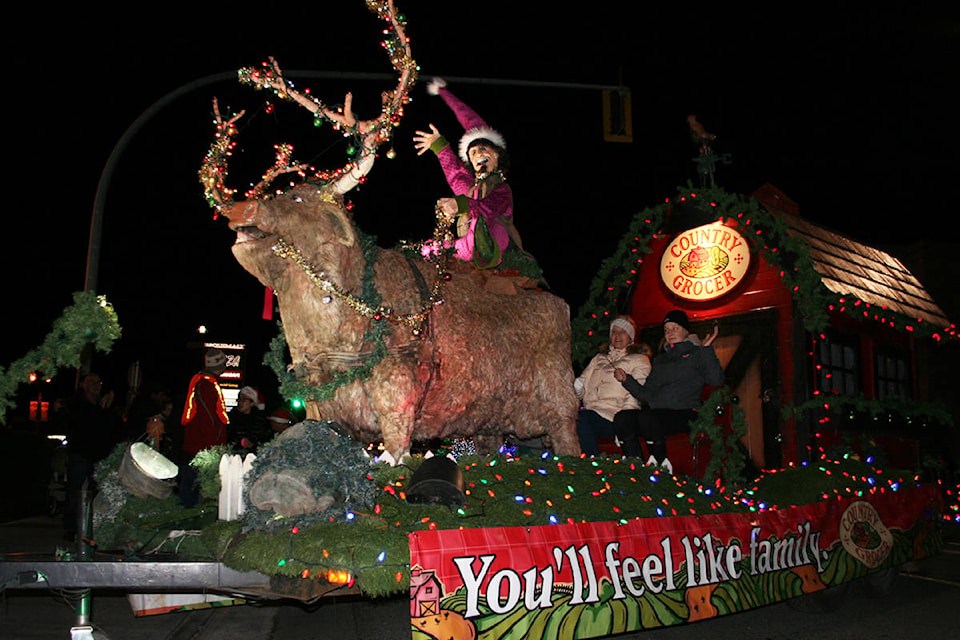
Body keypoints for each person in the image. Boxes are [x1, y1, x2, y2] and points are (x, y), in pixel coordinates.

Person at [413, 78, 521, 269]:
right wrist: (438, 145)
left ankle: (482, 249)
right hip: (466, 244)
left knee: (484, 224)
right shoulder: (470, 188)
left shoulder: (502, 188)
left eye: (483, 149)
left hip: (495, 240)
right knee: (428, 249)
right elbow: (455, 173)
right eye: (473, 152)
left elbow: (488, 208)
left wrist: (460, 204)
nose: (479, 153)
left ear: (497, 155)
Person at [613, 310, 724, 473]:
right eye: (667, 330)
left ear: (686, 330)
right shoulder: (660, 360)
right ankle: (635, 465)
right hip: (658, 414)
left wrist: (706, 349)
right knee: (622, 418)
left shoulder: (697, 354)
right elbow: (647, 394)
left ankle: (660, 463)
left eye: (675, 328)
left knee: (647, 417)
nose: (670, 333)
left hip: (685, 412)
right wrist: (627, 380)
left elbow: (716, 380)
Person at [574, 316, 651, 456]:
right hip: (591, 411)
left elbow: (636, 394)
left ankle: (593, 464)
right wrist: (578, 388)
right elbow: (583, 385)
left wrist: (624, 425)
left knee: (580, 420)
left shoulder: (639, 360)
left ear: (631, 337)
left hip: (614, 416)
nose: (617, 335)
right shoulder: (599, 358)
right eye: (614, 332)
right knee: (568, 420)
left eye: (623, 332)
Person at [58, 373, 122, 539]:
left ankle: (93, 526)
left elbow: (113, 427)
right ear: (83, 385)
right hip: (80, 452)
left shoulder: (104, 405)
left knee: (97, 491)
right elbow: (75, 421)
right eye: (91, 382)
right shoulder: (76, 404)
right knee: (75, 490)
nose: (95, 385)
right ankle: (71, 527)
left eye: (98, 382)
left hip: (99, 454)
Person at [178, 349, 230, 506]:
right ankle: (192, 519)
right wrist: (212, 448)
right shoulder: (207, 386)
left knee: (192, 485)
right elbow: (208, 420)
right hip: (201, 448)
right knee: (196, 487)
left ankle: (190, 515)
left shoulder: (202, 383)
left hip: (197, 446)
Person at [227, 386, 272, 451]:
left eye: (244, 400)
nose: (240, 403)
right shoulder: (231, 418)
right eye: (239, 400)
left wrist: (253, 444)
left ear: (252, 403)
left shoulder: (261, 421)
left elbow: (266, 441)